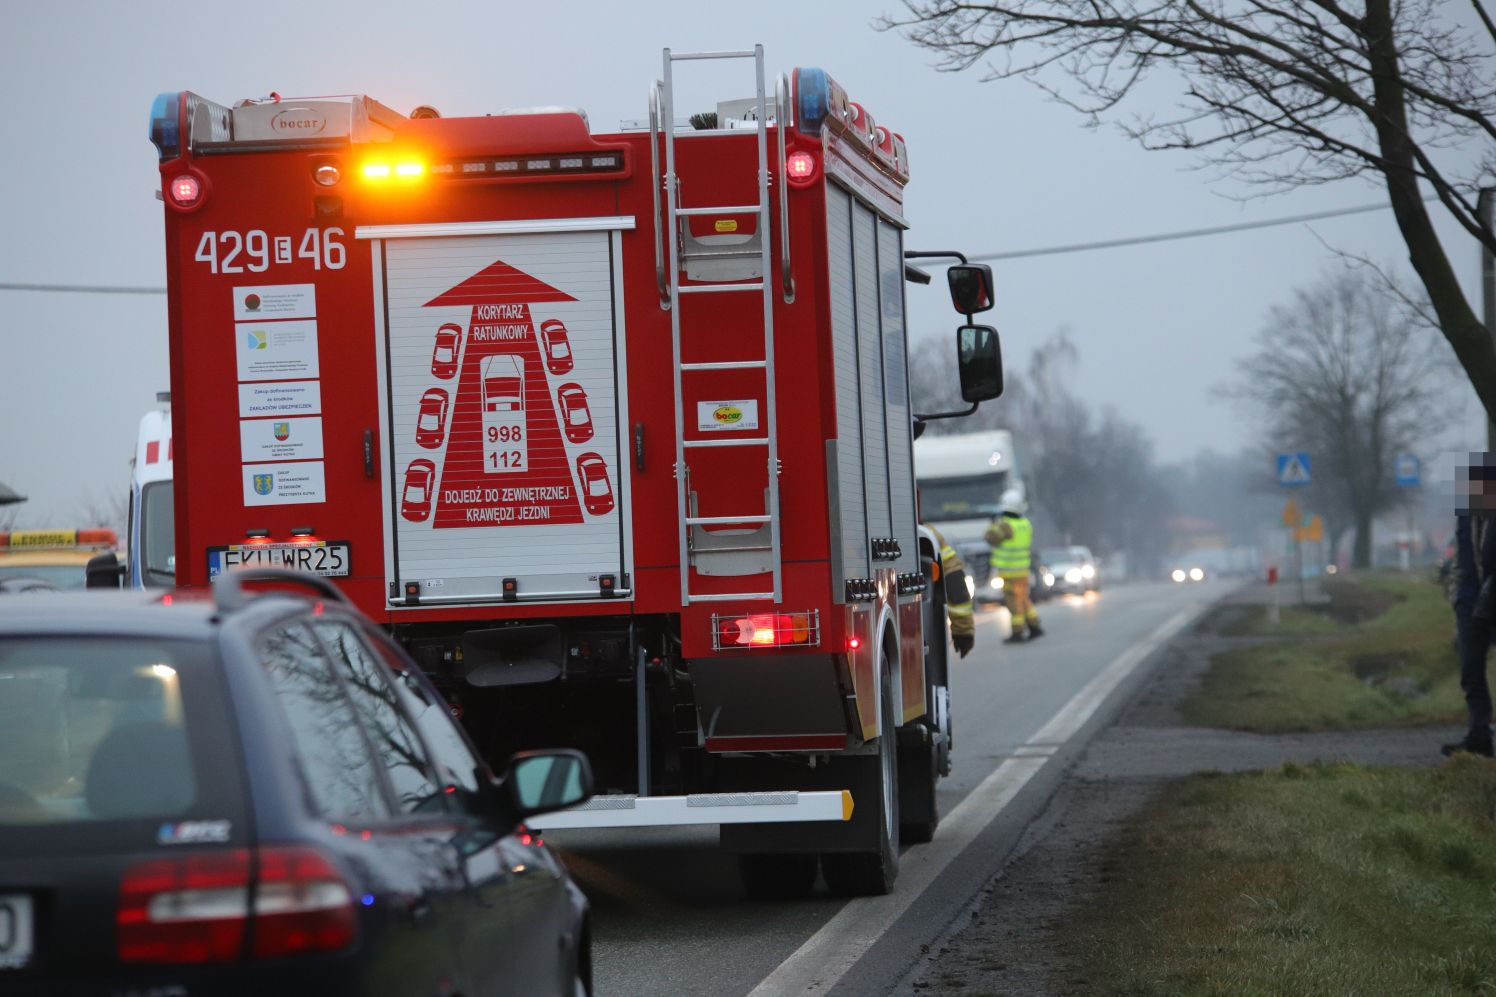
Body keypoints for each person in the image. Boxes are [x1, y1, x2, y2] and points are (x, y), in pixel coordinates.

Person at [1444, 460, 1496, 758]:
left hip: (1490, 598)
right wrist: (1457, 598)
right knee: (1470, 670)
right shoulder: (1465, 518)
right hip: (1469, 600)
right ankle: (1478, 733)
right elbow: (1461, 561)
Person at [986, 489, 1043, 643]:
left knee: (1013, 602)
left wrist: (993, 524)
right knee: (1023, 599)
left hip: (1009, 572)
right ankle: (1034, 626)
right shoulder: (1025, 524)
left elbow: (991, 538)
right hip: (1022, 570)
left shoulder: (1006, 525)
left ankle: (1017, 632)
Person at [926, 524, 975, 658]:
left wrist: (963, 630)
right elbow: (955, 583)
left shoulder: (927, 534)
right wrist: (963, 630)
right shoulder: (927, 533)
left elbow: (955, 585)